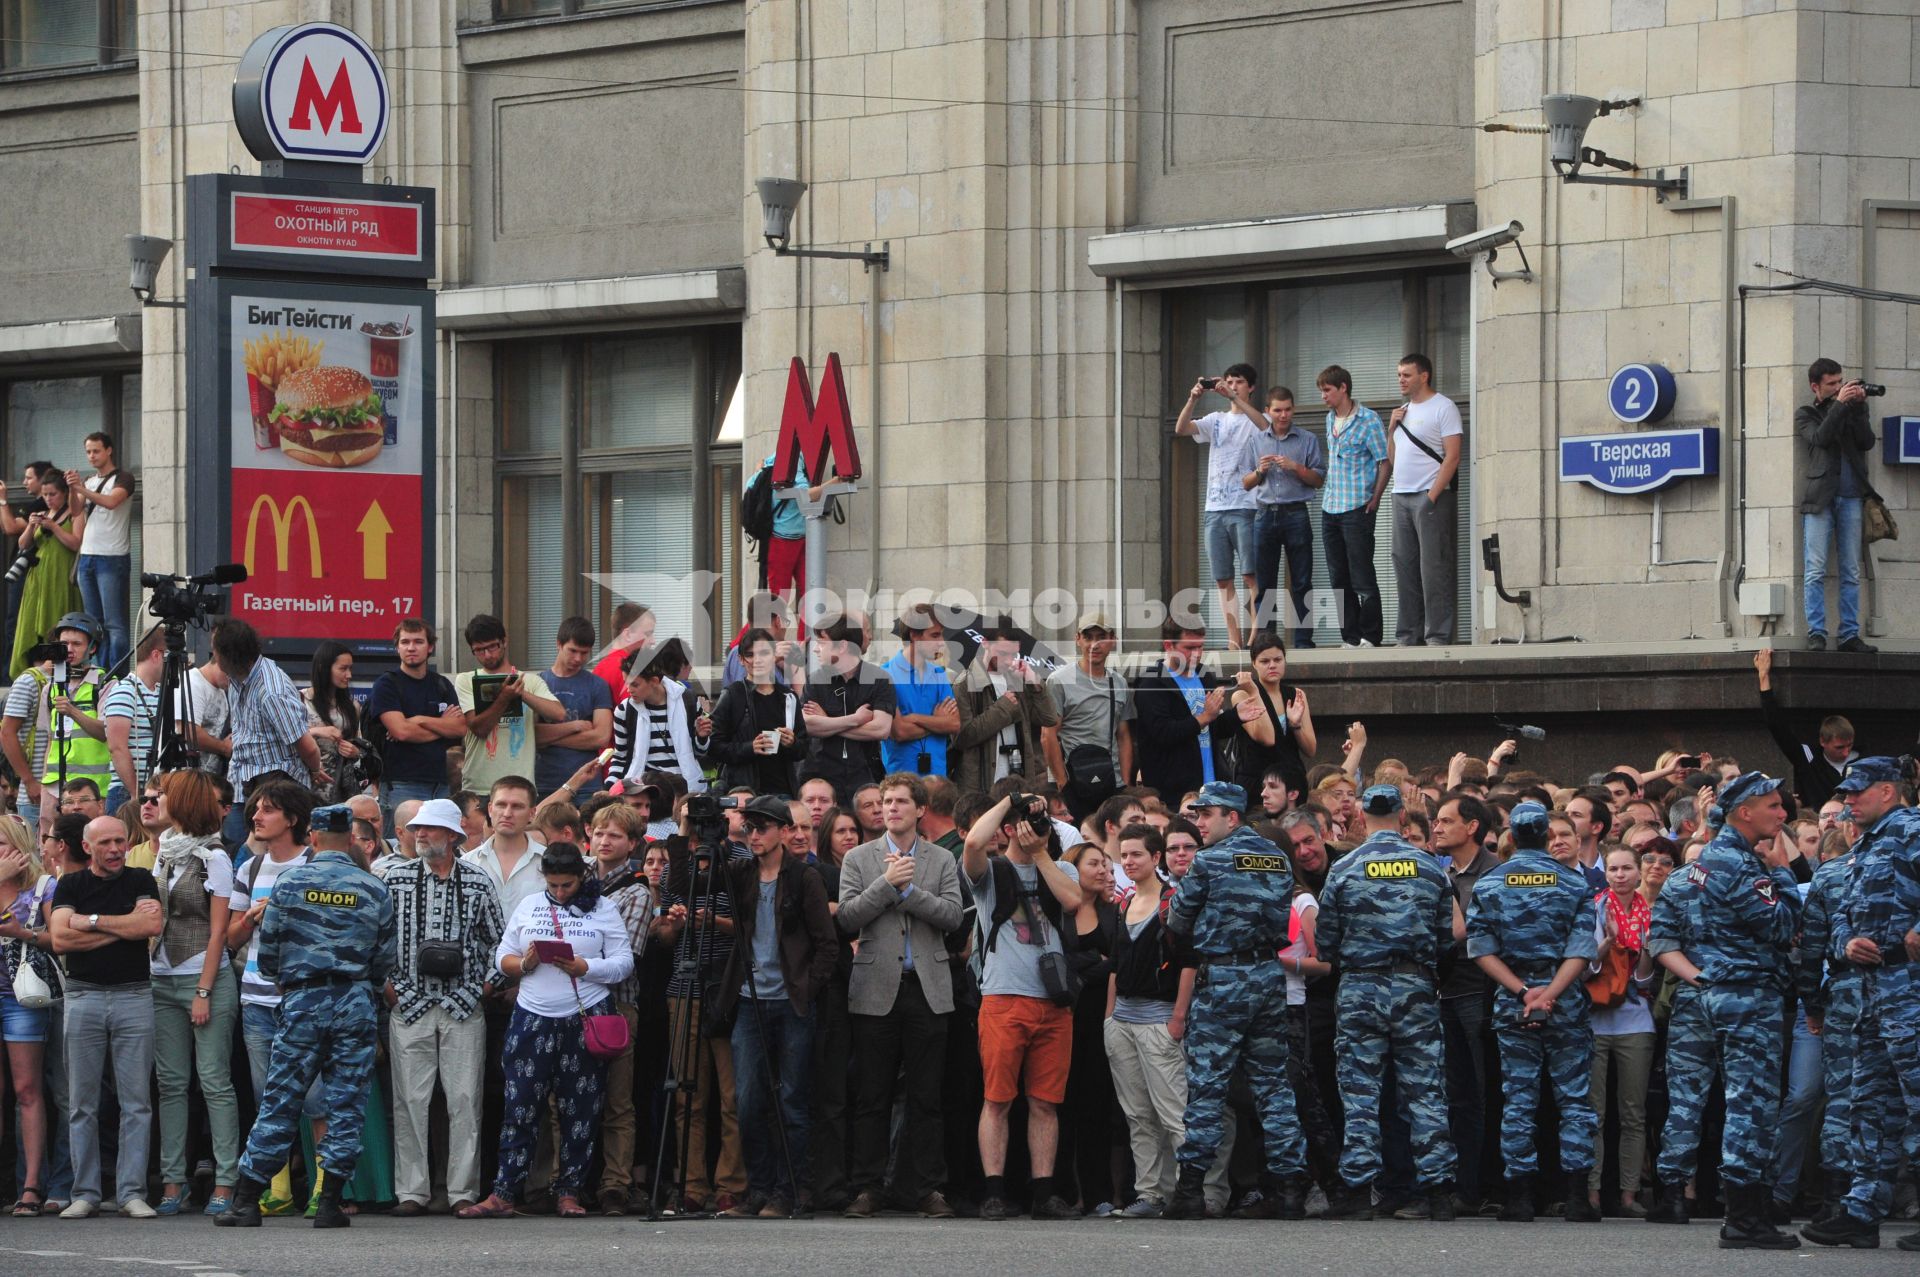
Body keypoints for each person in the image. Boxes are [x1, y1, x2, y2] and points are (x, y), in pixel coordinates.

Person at [217, 804, 396, 1229]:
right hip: (354, 1002)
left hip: (303, 999)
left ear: (313, 837)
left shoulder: (290, 883)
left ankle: (245, 1201)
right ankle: (330, 1201)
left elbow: (270, 949)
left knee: (281, 1097)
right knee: (347, 1102)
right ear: (351, 840)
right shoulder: (373, 888)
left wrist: (289, 982)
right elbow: (384, 957)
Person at [459, 841, 633, 1219]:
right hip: (533, 1016)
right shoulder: (530, 906)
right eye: (553, 885)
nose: (558, 892)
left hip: (582, 1015)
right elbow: (501, 958)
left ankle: (569, 1192)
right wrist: (524, 962)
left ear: (581, 877)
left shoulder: (604, 908)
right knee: (519, 1105)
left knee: (580, 1109)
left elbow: (623, 963)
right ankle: (504, 1192)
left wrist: (585, 967)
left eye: (567, 885)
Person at [1162, 780, 1311, 1219]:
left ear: (1232, 816)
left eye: (1207, 815)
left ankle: (1190, 1190)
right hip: (1268, 975)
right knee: (1273, 1086)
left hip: (1224, 978)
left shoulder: (1208, 862)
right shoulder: (1278, 858)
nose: (1199, 824)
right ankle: (1289, 1189)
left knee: (1208, 1086)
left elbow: (1178, 919)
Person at [1315, 785, 1459, 1221]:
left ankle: (1359, 1192)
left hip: (1361, 987)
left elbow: (1325, 944)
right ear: (1401, 816)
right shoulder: (1430, 868)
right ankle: (1438, 1192)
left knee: (1360, 1092)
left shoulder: (1344, 868)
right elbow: (1445, 938)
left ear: (1361, 815)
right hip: (1415, 986)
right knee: (1425, 1091)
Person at [1465, 800, 1602, 1225]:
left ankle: (1519, 1196)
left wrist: (1525, 992)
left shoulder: (1490, 884)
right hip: (1565, 1003)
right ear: (1545, 835)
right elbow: (1582, 949)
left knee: (1518, 1099)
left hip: (1515, 1002)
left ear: (1511, 838)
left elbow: (1480, 951)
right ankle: (1577, 1196)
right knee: (1574, 1100)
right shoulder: (1574, 884)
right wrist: (1551, 994)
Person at [1804, 757, 1920, 1250]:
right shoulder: (1864, 845)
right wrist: (1847, 943)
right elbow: (1843, 917)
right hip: (1871, 992)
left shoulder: (1914, 830)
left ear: (1889, 792)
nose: (1848, 801)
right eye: (1846, 793)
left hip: (1911, 990)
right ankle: (1861, 1211)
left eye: (1858, 793)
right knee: (1870, 1104)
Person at [837, 773, 965, 1218]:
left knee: (928, 1096)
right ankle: (867, 1187)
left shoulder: (942, 859)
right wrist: (888, 884)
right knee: (871, 1095)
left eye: (898, 802)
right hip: (875, 989)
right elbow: (849, 917)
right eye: (884, 802)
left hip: (927, 988)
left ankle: (929, 1188)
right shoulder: (858, 858)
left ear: (919, 810)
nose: (889, 808)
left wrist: (909, 892)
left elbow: (952, 917)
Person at [1683, 771, 1803, 1248]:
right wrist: (1783, 873)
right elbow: (1779, 926)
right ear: (1744, 811)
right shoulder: (1737, 863)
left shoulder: (1715, 857)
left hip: (1729, 992)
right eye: (1773, 806)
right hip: (1748, 994)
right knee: (1751, 1105)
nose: (1782, 813)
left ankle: (1747, 1215)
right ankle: (1744, 1220)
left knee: (1745, 1101)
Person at [960, 790, 1084, 1219]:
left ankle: (1044, 1191)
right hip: (1003, 998)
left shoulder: (1061, 866)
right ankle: (994, 1190)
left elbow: (1073, 901)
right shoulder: (992, 872)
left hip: (1054, 1003)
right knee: (997, 1099)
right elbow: (973, 843)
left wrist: (1042, 854)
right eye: (1028, 823)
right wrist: (1009, 799)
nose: (1039, 829)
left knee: (1045, 1102)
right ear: (1009, 828)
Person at [712, 796, 835, 1218]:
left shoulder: (805, 878)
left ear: (785, 832)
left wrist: (806, 987)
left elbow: (826, 944)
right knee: (747, 1100)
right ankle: (759, 1189)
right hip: (749, 1002)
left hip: (792, 1002)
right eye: (750, 827)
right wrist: (696, 835)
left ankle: (792, 1190)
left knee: (793, 1102)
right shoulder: (742, 873)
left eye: (763, 827)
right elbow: (697, 877)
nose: (755, 835)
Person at [384, 798, 504, 1219]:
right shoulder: (393, 879)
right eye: (417, 828)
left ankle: (461, 1191)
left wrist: (486, 985)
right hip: (409, 1003)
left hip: (463, 1004)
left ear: (452, 835)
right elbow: (375, 939)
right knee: (409, 1101)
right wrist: (388, 986)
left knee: (465, 1099)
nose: (421, 835)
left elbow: (498, 941)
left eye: (430, 829)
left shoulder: (478, 880)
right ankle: (411, 1192)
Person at [48, 814, 163, 1218]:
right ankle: (86, 1192)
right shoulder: (70, 884)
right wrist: (123, 926)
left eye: (120, 841)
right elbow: (61, 937)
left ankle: (132, 1192)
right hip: (83, 996)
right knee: (82, 1102)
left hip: (134, 995)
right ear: (87, 847)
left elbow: (151, 924)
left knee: (137, 1101)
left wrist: (91, 922)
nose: (115, 849)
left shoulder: (141, 880)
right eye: (106, 843)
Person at [146, 770, 240, 1217]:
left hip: (204, 977)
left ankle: (226, 1179)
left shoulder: (214, 857)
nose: (157, 800)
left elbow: (220, 931)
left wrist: (203, 990)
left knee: (215, 1080)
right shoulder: (164, 851)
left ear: (184, 803)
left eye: (165, 795)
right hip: (160, 977)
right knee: (170, 1084)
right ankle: (173, 1180)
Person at [1102, 824, 1196, 1218]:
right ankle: (1151, 1194)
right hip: (1123, 1020)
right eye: (1123, 855)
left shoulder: (1174, 903)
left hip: (1159, 1021)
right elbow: (1115, 965)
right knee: (1138, 1115)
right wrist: (1109, 1019)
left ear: (1155, 858)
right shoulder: (1123, 903)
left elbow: (1190, 962)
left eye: (1136, 854)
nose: (1128, 861)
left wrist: (1178, 1017)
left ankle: (1192, 1192)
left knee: (1173, 1112)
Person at [1430, 794, 1501, 1213]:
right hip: (1448, 991)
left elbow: (1472, 934)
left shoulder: (1494, 874)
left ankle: (1487, 1186)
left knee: (1484, 1093)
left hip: (1480, 993)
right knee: (1458, 1096)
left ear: (1472, 827)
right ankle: (1466, 1186)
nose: (1436, 827)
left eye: (1445, 820)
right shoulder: (1443, 872)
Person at [582, 802, 652, 1216]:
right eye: (599, 832)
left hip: (616, 1005)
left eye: (615, 835)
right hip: (569, 1003)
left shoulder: (637, 891)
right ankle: (567, 1178)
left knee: (617, 1101)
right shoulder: (571, 880)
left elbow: (627, 954)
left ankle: (615, 1184)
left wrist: (576, 953)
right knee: (566, 1097)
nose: (605, 841)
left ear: (631, 844)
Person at [1174, 364, 1269, 649]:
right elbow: (1181, 428)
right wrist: (1193, 398)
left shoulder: (1258, 418)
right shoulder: (1216, 419)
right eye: (1229, 382)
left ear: (1250, 387)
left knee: (1251, 574)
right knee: (1222, 579)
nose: (1232, 386)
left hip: (1246, 506)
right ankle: (1233, 639)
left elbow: (1266, 428)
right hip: (1215, 508)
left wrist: (1235, 398)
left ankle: (1256, 634)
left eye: (1239, 382)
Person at [1588, 846, 1659, 1218]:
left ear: (1638, 872)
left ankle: (1630, 1194)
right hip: (1597, 1018)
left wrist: (1644, 949)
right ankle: (1593, 1193)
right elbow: (1584, 968)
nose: (1619, 875)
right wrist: (1607, 943)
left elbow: (1646, 980)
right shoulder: (1596, 906)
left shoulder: (1651, 912)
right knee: (1593, 1113)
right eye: (1613, 868)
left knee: (1633, 1113)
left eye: (1627, 868)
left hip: (1636, 1019)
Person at [1794, 359, 1878, 653]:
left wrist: (1858, 409)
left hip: (1852, 496)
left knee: (1851, 570)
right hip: (1820, 500)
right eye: (1832, 384)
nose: (1839, 388)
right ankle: (1817, 632)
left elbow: (1867, 443)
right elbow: (1821, 438)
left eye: (1841, 382)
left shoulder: (1852, 410)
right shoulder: (1806, 414)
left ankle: (1849, 635)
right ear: (1815, 386)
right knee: (1815, 569)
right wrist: (1840, 405)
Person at [0, 814, 58, 1216]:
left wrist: (23, 932)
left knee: (27, 1090)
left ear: (18, 847)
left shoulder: (43, 886)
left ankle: (33, 1184)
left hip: (22, 999)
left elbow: (60, 939)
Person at [1386, 352, 1463, 647]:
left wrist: (1431, 497)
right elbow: (1393, 459)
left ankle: (1437, 636)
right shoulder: (1402, 410)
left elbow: (1453, 456)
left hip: (1430, 497)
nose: (1401, 380)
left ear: (1424, 376)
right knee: (1404, 567)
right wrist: (1392, 428)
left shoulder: (1444, 407)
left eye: (1406, 375)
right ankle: (1408, 635)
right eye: (1399, 375)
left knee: (1434, 569)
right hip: (1401, 495)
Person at [214, 619, 328, 817]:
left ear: (230, 656)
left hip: (276, 792)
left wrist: (315, 769)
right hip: (241, 787)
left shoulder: (271, 692)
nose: (213, 656)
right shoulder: (236, 678)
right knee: (237, 845)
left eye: (215, 650)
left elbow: (307, 746)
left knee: (268, 845)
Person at [1244, 385, 1326, 646]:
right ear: (1267, 411)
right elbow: (1245, 482)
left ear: (1293, 409)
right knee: (1265, 585)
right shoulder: (1256, 441)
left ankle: (1303, 641)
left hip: (1296, 514)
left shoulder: (1307, 439)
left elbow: (1318, 479)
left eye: (1288, 409)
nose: (1283, 415)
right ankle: (1266, 642)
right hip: (1265, 515)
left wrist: (1295, 467)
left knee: (1302, 581)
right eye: (1277, 410)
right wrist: (1260, 471)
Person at [455, 615, 565, 801]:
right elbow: (479, 728)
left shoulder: (530, 681)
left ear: (504, 642)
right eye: (479, 650)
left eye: (492, 646)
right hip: (479, 786)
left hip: (521, 786)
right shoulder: (466, 680)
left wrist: (523, 694)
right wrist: (504, 698)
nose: (488, 655)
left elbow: (559, 713)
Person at [1043, 610, 1134, 823]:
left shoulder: (1119, 683)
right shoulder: (1059, 680)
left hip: (1111, 782)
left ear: (1113, 640)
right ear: (1077, 639)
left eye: (1101, 637)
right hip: (1073, 782)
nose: (1094, 644)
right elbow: (1048, 735)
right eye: (1088, 637)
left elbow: (1124, 736)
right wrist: (1062, 783)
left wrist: (1125, 782)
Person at [369, 620, 465, 812]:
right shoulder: (387, 684)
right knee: (401, 841)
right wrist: (442, 725)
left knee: (438, 842)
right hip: (401, 784)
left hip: (440, 784)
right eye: (405, 642)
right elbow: (402, 731)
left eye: (418, 642)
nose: (411, 648)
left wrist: (419, 720)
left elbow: (460, 729)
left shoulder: (442, 684)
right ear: (397, 647)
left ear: (430, 647)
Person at [1130, 619, 1229, 806]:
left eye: (1201, 647)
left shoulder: (1204, 675)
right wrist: (1204, 717)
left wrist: (1239, 716)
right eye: (1190, 648)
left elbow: (1215, 729)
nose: (1197, 654)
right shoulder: (1152, 683)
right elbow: (1163, 733)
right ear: (1169, 645)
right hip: (1173, 791)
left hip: (1210, 782)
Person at [801, 617, 895, 804]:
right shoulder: (816, 680)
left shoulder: (879, 679)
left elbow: (881, 730)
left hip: (865, 776)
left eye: (822, 643)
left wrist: (827, 721)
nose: (815, 649)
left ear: (842, 646)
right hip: (821, 776)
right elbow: (807, 725)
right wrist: (855, 719)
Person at [64, 433, 134, 672]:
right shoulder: (89, 481)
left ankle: (117, 675)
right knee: (93, 622)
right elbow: (75, 512)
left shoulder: (123, 478)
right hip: (87, 556)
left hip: (112, 557)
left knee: (115, 623)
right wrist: (75, 490)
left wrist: (82, 489)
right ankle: (98, 672)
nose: (91, 456)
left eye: (96, 451)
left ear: (109, 451)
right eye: (88, 452)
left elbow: (112, 501)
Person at [710, 628, 806, 795]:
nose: (757, 660)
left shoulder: (788, 697)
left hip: (783, 791)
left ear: (774, 656)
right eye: (750, 655)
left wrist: (792, 742)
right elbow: (714, 746)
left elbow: (803, 749)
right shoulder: (733, 695)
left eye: (764, 653)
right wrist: (749, 748)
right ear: (741, 660)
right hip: (744, 793)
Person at [1225, 631, 1314, 806]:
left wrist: (1295, 726)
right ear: (1254, 664)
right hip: (1258, 787)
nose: (1272, 665)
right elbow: (1266, 738)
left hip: (1292, 785)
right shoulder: (1243, 695)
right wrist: (1254, 691)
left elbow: (1310, 750)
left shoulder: (1296, 694)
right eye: (1265, 661)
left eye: (1278, 660)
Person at [9, 469, 83, 680]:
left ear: (64, 493)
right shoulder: (41, 514)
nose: (48, 499)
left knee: (56, 625)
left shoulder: (73, 513)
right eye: (45, 495)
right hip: (37, 580)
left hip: (59, 580)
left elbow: (75, 542)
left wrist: (53, 526)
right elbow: (23, 544)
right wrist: (31, 526)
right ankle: (37, 675)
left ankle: (58, 673)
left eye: (53, 494)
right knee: (33, 628)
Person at [607, 644, 710, 794]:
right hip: (644, 791)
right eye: (626, 683)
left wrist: (701, 737)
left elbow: (700, 752)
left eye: (635, 684)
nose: (629, 690)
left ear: (654, 681)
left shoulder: (688, 701)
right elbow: (620, 757)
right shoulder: (625, 710)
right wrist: (609, 788)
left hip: (685, 789)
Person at [534, 617, 614, 802]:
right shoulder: (538, 683)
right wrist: (575, 726)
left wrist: (551, 738)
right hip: (545, 782)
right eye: (573, 651)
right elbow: (533, 735)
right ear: (558, 644)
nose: (578, 658)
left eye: (584, 653)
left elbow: (601, 737)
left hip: (586, 783)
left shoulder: (597, 685)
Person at [881, 605, 957, 779]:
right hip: (901, 780)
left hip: (937, 779)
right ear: (914, 635)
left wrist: (915, 719)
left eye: (941, 634)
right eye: (935, 635)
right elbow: (899, 731)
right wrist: (937, 722)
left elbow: (954, 724)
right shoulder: (886, 674)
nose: (941, 642)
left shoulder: (939, 674)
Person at [101, 628, 164, 812]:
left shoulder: (160, 691)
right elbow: (117, 747)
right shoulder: (124, 691)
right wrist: (137, 794)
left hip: (153, 792)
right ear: (156, 655)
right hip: (126, 793)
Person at [0, 460, 54, 663]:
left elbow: (11, 528)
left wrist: (3, 501)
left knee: (16, 623)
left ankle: (10, 675)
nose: (24, 482)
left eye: (29, 477)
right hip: (26, 569)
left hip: (33, 571)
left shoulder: (39, 506)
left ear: (43, 478)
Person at [590, 602, 655, 703]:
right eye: (648, 634)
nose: (652, 641)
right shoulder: (628, 668)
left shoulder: (599, 668)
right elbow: (636, 712)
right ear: (628, 634)